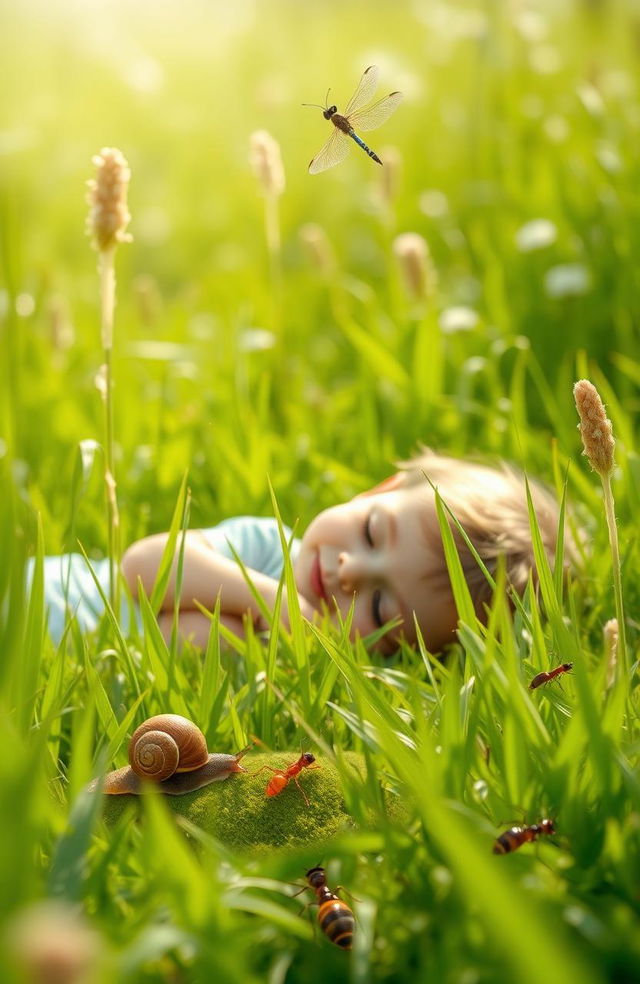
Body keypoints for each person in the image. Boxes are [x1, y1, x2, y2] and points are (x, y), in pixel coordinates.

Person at [116, 448, 569, 655]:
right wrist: (268, 600)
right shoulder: (265, 547)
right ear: (379, 490)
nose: (348, 571)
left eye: (377, 604)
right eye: (372, 533)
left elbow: (174, 642)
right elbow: (142, 565)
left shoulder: (309, 670)